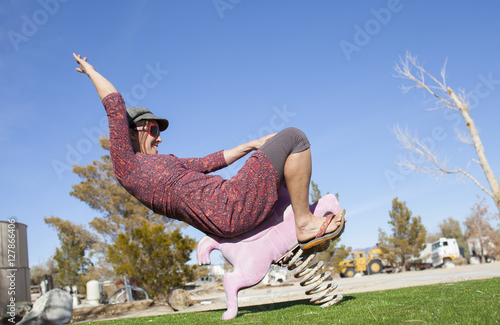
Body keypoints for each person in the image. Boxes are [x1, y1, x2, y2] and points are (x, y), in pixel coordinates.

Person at [73, 53, 345, 250]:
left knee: (285, 162)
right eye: (154, 130)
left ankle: (297, 231)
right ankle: (304, 224)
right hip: (230, 205)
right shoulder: (127, 166)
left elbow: (207, 162)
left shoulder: (168, 163)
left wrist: (251, 144)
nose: (159, 139)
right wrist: (91, 71)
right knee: (294, 138)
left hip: (231, 202)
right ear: (134, 132)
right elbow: (114, 105)